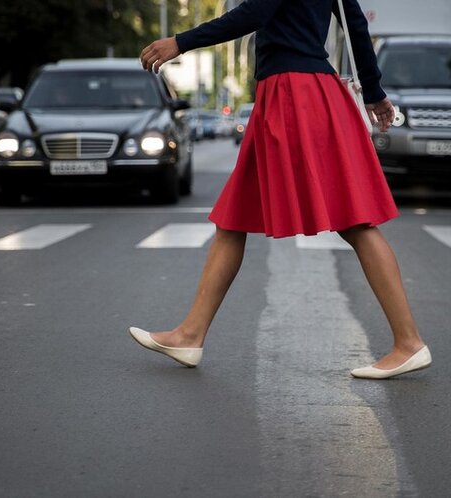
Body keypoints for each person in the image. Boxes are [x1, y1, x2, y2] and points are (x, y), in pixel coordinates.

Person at [130, 0, 430, 380]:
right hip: (295, 94)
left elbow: (256, 12)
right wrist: (372, 91)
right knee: (233, 217)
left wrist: (181, 42)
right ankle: (190, 334)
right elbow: (354, 22)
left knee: (355, 222)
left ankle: (409, 342)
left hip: (294, 96)